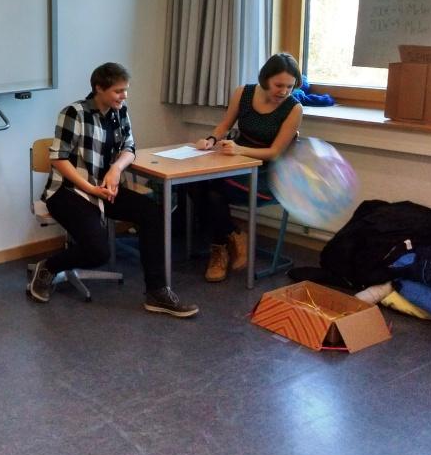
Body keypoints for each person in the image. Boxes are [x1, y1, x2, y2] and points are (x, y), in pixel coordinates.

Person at [27, 62, 198, 317]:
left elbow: (129, 148)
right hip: (68, 191)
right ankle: (49, 267)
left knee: (151, 213)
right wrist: (91, 188)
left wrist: (116, 169)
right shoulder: (74, 113)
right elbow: (58, 158)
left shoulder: (120, 112)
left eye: (125, 90)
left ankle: (157, 292)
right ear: (99, 88)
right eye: (118, 91)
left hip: (104, 188)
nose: (124, 96)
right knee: (98, 252)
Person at [190, 52, 303, 282]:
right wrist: (210, 140)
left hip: (268, 171)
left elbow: (274, 152)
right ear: (265, 79)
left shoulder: (294, 108)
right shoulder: (243, 93)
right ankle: (232, 233)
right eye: (278, 85)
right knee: (193, 183)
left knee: (213, 191)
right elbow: (225, 124)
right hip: (236, 162)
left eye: (289, 87)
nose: (284, 91)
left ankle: (220, 247)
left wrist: (240, 150)